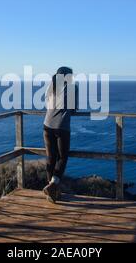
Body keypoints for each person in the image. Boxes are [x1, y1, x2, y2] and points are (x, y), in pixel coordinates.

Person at [42, 66, 78, 203]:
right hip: (61, 126)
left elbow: (47, 105)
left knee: (51, 157)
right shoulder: (72, 88)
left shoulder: (50, 87)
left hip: (47, 125)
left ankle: (51, 191)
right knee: (62, 158)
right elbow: (74, 109)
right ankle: (53, 186)